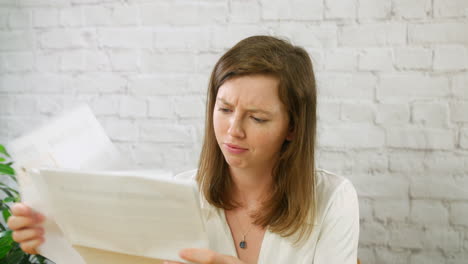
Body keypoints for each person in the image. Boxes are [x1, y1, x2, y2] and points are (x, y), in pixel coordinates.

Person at [7, 35, 359, 264]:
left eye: (257, 118)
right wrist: (55, 235)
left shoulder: (332, 199)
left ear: (293, 128)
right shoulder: (179, 193)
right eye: (224, 109)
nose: (233, 130)